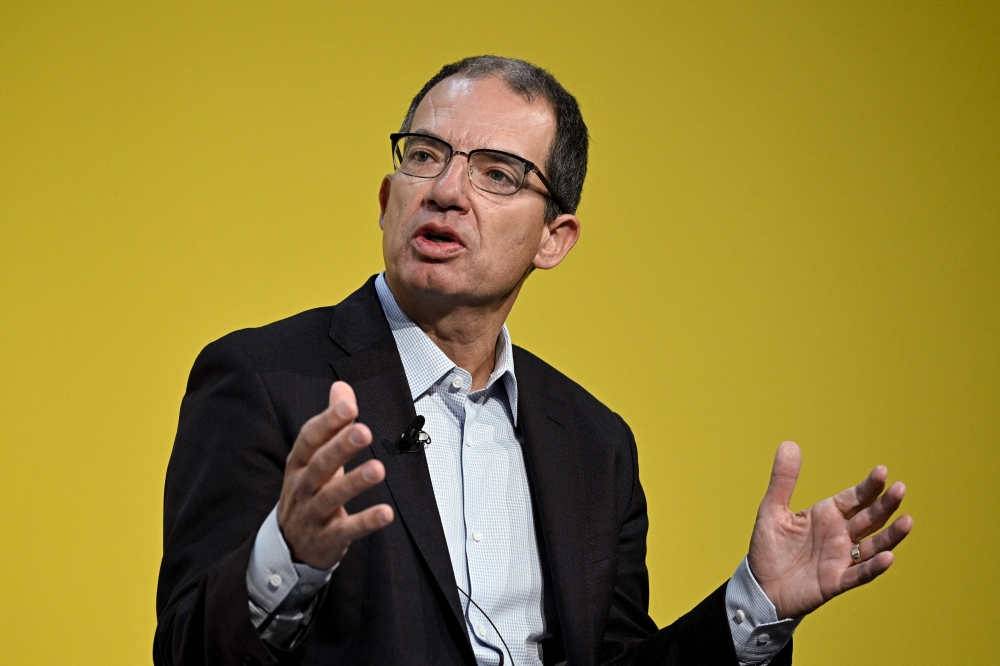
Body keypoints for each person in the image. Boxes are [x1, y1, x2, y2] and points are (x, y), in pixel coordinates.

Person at [154, 55, 912, 666]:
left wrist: (758, 606)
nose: (447, 190)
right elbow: (186, 652)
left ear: (555, 239)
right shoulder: (264, 380)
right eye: (426, 156)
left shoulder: (594, 443)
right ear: (387, 198)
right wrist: (286, 555)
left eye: (498, 174)